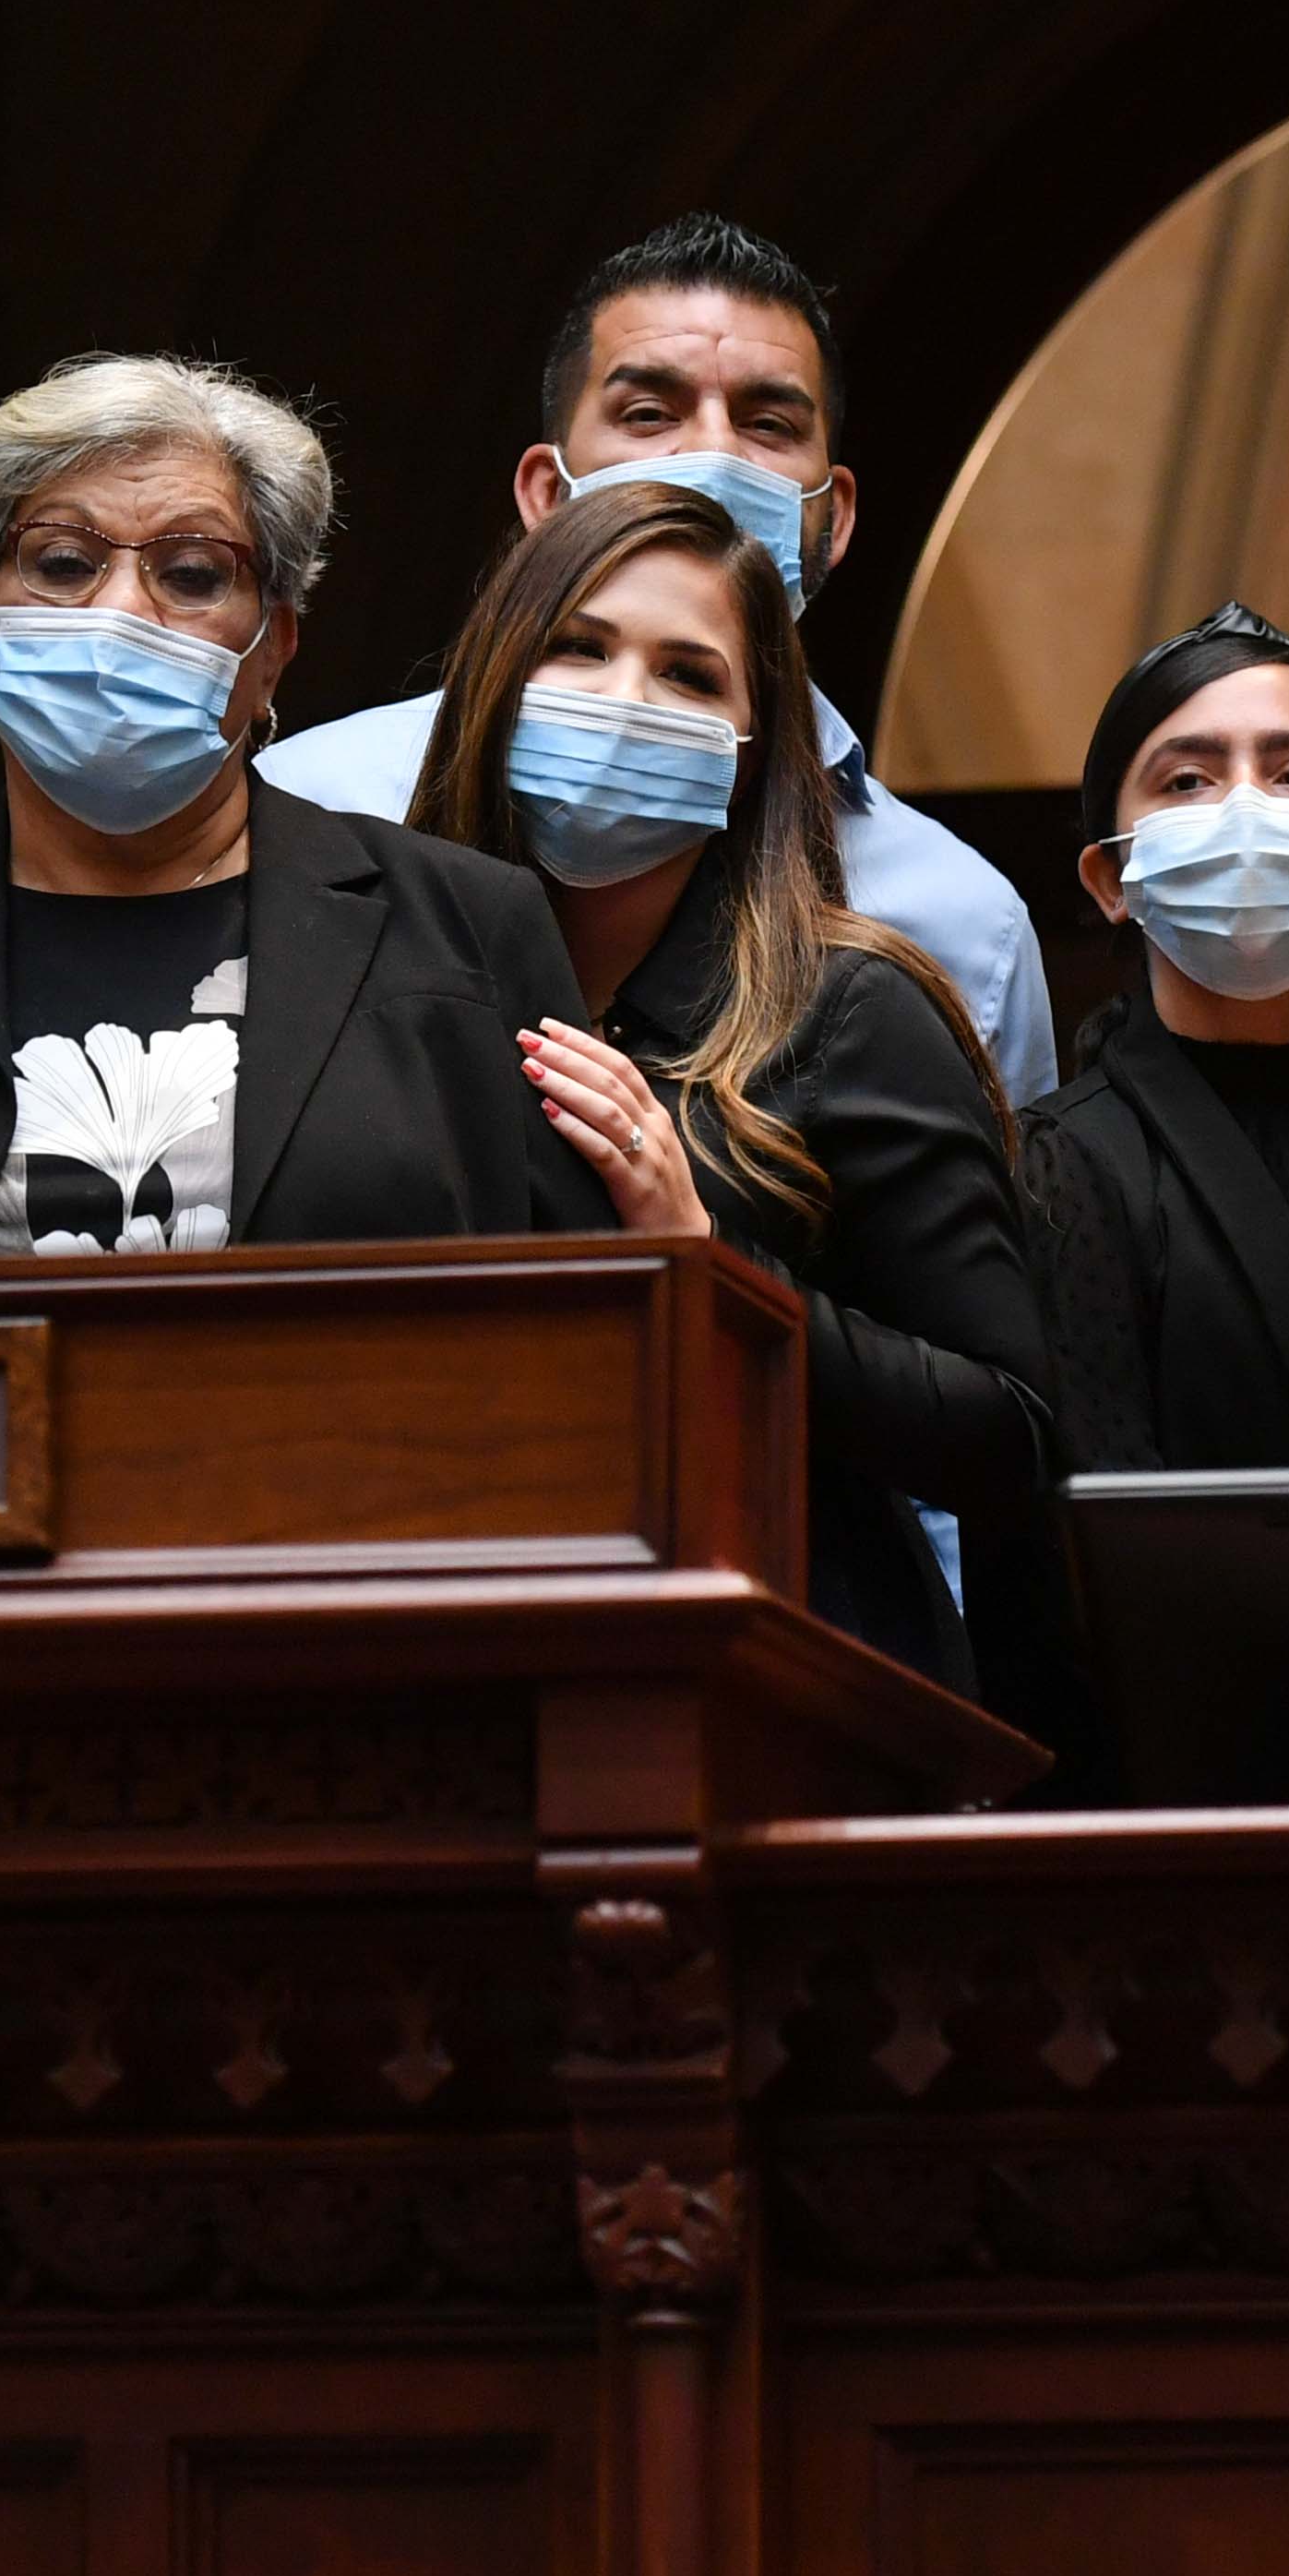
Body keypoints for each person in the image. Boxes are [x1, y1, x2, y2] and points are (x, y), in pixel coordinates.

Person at [407, 480, 1063, 1715]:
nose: (621, 703)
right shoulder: (382, 971)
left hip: (781, 1684)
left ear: (755, 740)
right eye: (580, 649)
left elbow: (1010, 1433)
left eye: (690, 677)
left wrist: (706, 1268)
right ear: (497, 684)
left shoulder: (850, 1006)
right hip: (451, 1662)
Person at [0, 355, 610, 1252]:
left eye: (191, 574)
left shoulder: (468, 931)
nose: (121, 612)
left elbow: (596, 1313)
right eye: (63, 563)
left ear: (273, 648)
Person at [260, 212, 1056, 1104]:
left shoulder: (957, 923)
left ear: (834, 522)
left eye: (767, 423)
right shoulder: (309, 804)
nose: (711, 454)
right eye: (648, 414)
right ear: (548, 495)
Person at [1019, 605, 1289, 1475]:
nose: (1246, 812)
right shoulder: (1062, 1167)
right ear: (1110, 878)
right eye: (1187, 781)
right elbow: (1093, 1539)